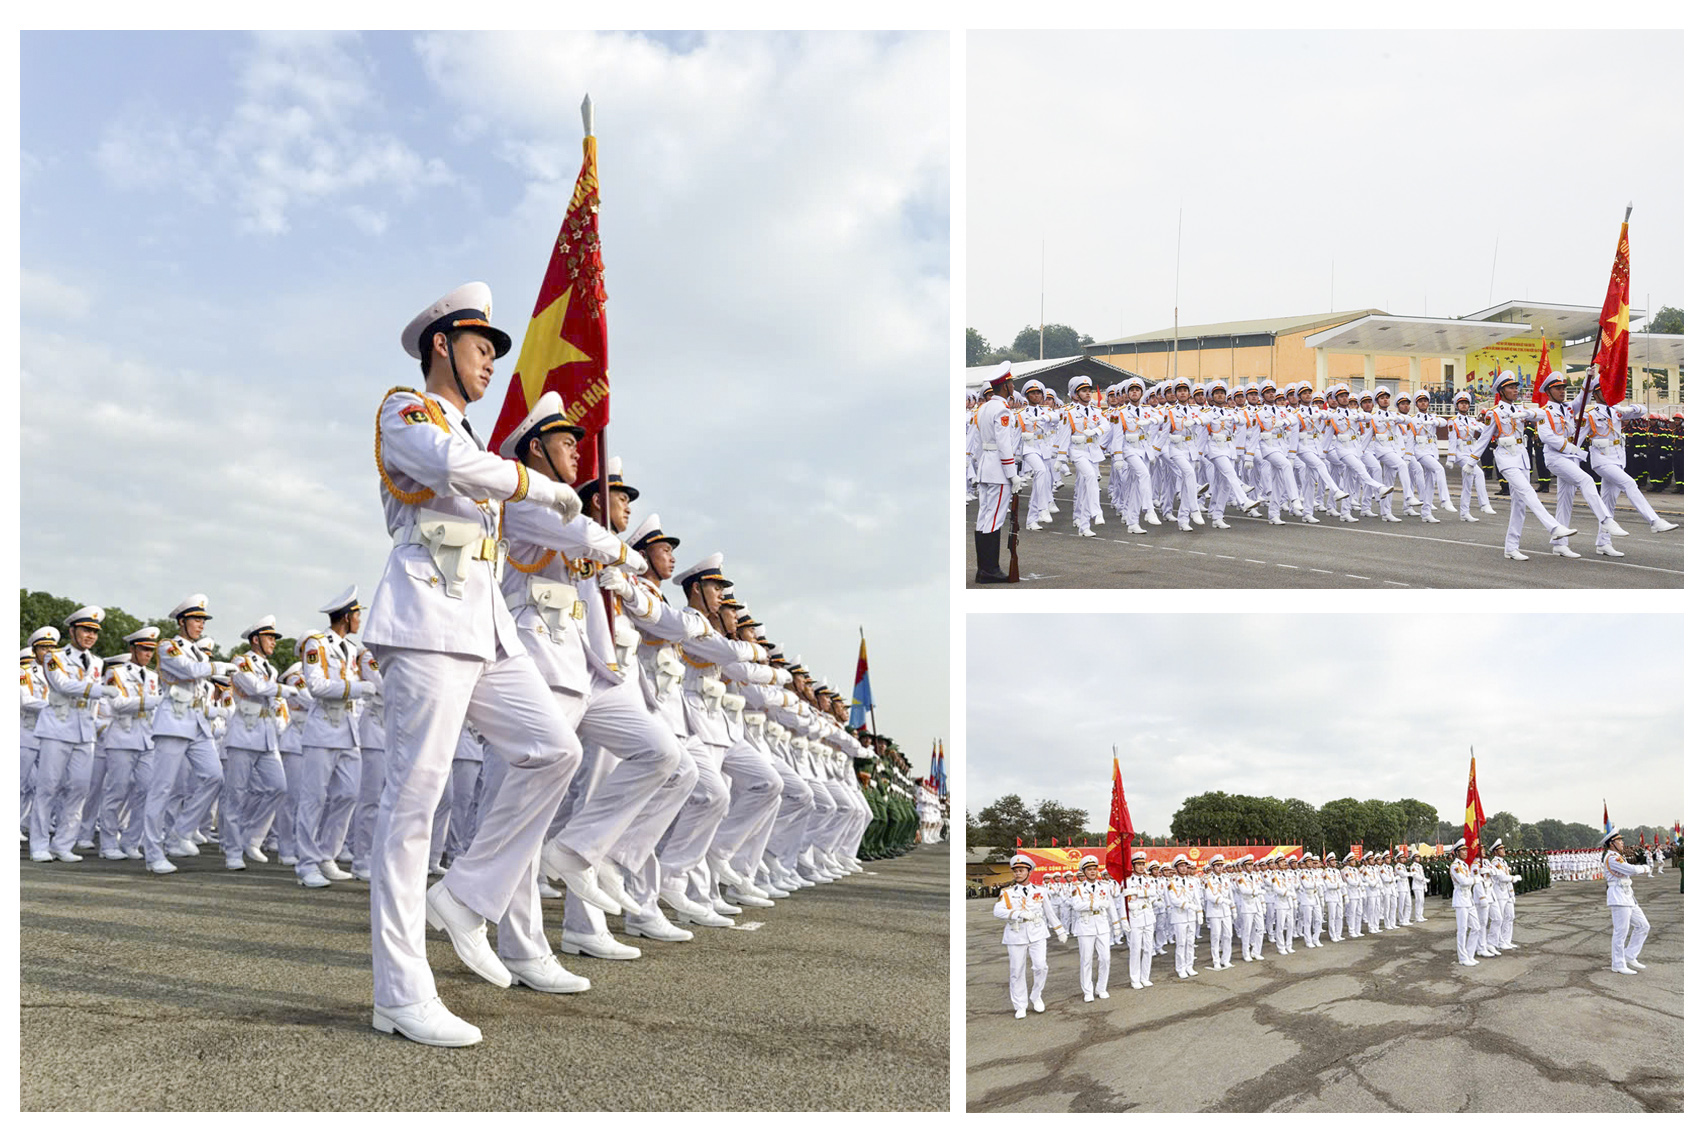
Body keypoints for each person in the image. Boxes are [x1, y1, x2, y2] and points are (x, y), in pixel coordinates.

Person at [364, 281, 591, 1048]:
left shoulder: (469, 440)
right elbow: (448, 464)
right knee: (413, 804)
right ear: (442, 345)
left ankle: (465, 896)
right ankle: (399, 992)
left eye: (496, 351)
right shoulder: (408, 411)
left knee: (554, 751)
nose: (491, 361)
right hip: (426, 617)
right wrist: (533, 483)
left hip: (485, 627)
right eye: (480, 347)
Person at [142, 596, 225, 875]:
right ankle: (154, 853)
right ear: (181, 621)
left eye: (203, 620)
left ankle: (181, 832)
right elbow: (189, 672)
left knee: (214, 776)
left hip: (197, 722)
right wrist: (218, 667)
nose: (201, 625)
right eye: (196, 620)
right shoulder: (168, 646)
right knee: (162, 789)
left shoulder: (198, 652)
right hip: (174, 722)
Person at [30, 607, 117, 862]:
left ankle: (63, 844)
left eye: (94, 632)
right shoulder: (54, 656)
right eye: (85, 630)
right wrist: (99, 690)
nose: (90, 636)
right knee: (48, 787)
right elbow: (62, 685)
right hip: (58, 727)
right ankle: (39, 844)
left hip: (85, 729)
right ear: (72, 631)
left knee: (79, 787)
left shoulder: (97, 662)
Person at [1478, 372, 1578, 560]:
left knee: (1519, 505)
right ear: (1502, 391)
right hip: (1506, 458)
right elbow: (1484, 438)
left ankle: (1511, 547)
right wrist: (1471, 461)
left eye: (1516, 387)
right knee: (1528, 491)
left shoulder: (1521, 409)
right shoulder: (1494, 412)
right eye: (1511, 387)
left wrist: (1531, 413)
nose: (1516, 390)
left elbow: (1542, 413)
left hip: (1522, 457)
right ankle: (1553, 527)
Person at [221, 616, 287, 871]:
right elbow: (255, 687)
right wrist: (283, 690)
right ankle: (233, 850)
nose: (273, 642)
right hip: (243, 735)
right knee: (236, 794)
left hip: (266, 735)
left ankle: (251, 838)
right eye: (269, 637)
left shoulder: (271, 669)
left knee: (278, 787)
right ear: (256, 639)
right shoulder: (241, 662)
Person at [970, 364, 1028, 580]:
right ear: (1005, 386)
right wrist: (1012, 474)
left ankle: (984, 569)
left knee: (984, 517)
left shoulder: (984, 408)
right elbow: (1004, 444)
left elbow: (979, 443)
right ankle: (990, 569)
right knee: (994, 519)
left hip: (986, 467)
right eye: (1011, 383)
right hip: (998, 470)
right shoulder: (1002, 410)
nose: (1013, 386)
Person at [994, 854, 1065, 1019]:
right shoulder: (1007, 892)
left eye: (1021, 870)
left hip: (1037, 932)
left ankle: (1036, 995)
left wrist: (1059, 930)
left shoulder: (1040, 891)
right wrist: (1018, 914)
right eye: (1015, 871)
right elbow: (997, 911)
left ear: (1029, 872)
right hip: (1016, 934)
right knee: (1017, 970)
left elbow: (1049, 912)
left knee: (1041, 966)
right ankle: (1020, 1005)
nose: (1018, 873)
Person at [1069, 855, 1124, 1001]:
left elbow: (1111, 906)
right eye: (1089, 869)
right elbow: (1076, 905)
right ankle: (1087, 991)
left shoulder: (1104, 886)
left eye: (1094, 869)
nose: (1092, 872)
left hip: (1102, 925)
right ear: (1083, 872)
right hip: (1085, 926)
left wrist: (1116, 924)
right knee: (1086, 960)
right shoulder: (1078, 888)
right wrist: (1095, 904)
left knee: (1105, 958)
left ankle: (1101, 988)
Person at [1601, 825, 1651, 975]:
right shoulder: (1612, 858)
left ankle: (1630, 955)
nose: (1622, 843)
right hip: (1618, 897)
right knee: (1621, 932)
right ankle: (1618, 964)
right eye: (1619, 841)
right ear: (1612, 844)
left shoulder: (1618, 856)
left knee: (1643, 926)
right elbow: (1631, 870)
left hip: (1627, 895)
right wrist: (1645, 868)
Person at [1121, 852, 1158, 988]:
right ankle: (1135, 978)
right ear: (1133, 866)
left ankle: (1145, 977)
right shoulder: (1127, 881)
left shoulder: (1149, 880)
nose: (1142, 867)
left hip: (1148, 916)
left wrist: (1137, 892)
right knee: (1136, 949)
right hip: (1135, 917)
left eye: (1143, 864)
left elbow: (1153, 893)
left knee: (1148, 948)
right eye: (1138, 864)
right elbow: (1122, 902)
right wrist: (1124, 919)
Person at [1448, 840, 1482, 966]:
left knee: (1476, 927)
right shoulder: (1455, 866)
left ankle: (1469, 954)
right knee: (1462, 930)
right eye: (1463, 850)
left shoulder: (1465, 866)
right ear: (1457, 853)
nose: (1466, 852)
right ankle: (1462, 958)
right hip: (1460, 899)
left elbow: (1468, 881)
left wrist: (1472, 880)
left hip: (1469, 899)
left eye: (1466, 850)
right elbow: (1463, 881)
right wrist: (1475, 879)